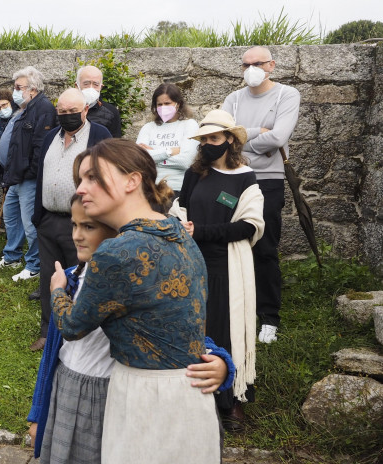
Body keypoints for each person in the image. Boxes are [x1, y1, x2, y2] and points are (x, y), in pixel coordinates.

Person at [28, 192, 235, 463]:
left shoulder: (138, 279)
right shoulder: (69, 281)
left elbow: (177, 332)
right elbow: (52, 355)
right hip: (66, 391)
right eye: (74, 225)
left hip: (116, 395)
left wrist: (221, 362)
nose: (77, 235)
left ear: (118, 233)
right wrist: (37, 413)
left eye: (88, 227)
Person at [53, 138, 220, 462]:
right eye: (81, 179)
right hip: (192, 397)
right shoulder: (177, 231)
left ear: (132, 181)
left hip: (145, 397)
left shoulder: (115, 253)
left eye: (93, 177)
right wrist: (222, 363)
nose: (82, 188)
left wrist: (58, 291)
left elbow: (72, 327)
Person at [170, 109, 265, 432]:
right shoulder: (196, 173)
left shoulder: (246, 178)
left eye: (214, 138)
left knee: (224, 330)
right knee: (194, 328)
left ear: (229, 140)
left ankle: (230, 401)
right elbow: (180, 205)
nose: (208, 144)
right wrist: (180, 222)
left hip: (225, 265)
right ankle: (193, 397)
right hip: (191, 261)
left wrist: (204, 231)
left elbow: (250, 226)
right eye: (204, 139)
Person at [222, 46, 301, 344]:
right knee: (230, 241)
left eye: (258, 63)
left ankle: (269, 317)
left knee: (265, 246)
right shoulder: (233, 99)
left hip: (268, 179)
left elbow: (279, 137)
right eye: (246, 65)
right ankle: (234, 309)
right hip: (233, 179)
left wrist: (240, 137)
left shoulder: (287, 95)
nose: (251, 69)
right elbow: (223, 139)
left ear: (271, 65)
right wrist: (257, 133)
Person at [28, 88, 112, 352]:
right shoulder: (51, 135)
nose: (67, 116)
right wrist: (38, 216)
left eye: (72, 112)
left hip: (82, 221)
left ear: (85, 110)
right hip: (49, 219)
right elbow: (41, 174)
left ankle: (78, 333)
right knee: (48, 277)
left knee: (81, 276)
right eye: (62, 112)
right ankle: (47, 331)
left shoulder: (100, 136)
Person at [1, 66, 56, 342]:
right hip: (15, 177)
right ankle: (11, 256)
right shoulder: (25, 109)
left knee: (29, 223)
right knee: (11, 216)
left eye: (19, 86)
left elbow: (39, 147)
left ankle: (33, 264)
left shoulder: (43, 108)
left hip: (28, 178)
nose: (15, 89)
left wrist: (28, 174)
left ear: (32, 88)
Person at [136, 83, 199, 193]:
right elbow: (138, 160)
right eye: (159, 104)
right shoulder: (148, 127)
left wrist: (152, 155)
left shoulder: (189, 125)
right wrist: (169, 151)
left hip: (178, 189)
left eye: (167, 103)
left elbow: (186, 162)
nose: (163, 107)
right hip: (150, 188)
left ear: (178, 104)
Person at [75, 66, 121, 138]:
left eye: (95, 84)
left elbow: (115, 145)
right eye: (86, 84)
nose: (91, 88)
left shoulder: (111, 112)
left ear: (101, 87)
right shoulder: (65, 109)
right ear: (77, 86)